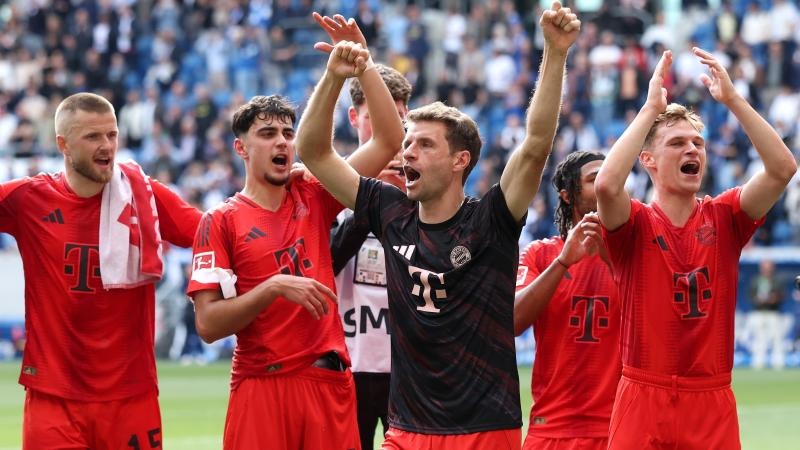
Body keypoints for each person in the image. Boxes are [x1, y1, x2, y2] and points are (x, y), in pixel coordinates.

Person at [296, 3, 580, 448]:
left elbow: (535, 143)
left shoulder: (492, 219)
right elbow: (314, 152)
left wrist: (555, 53)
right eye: (407, 142)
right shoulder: (390, 211)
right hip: (406, 430)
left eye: (424, 145)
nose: (407, 152)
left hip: (484, 430)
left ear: (459, 160)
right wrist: (336, 76)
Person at [185, 30, 405, 449]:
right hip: (261, 384)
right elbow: (208, 325)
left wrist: (356, 68)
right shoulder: (220, 220)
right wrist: (272, 288)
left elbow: (388, 141)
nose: (282, 141)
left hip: (328, 383)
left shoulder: (313, 194)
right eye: (268, 133)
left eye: (288, 133)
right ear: (241, 148)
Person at [595, 47, 797, 449]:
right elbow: (605, 185)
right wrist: (650, 110)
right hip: (643, 394)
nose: (692, 150)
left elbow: (782, 169)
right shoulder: (634, 223)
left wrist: (733, 100)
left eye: (698, 143)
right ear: (648, 160)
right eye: (677, 143)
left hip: (711, 398)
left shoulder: (725, 217)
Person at [0, 92, 201, 449]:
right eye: (93, 136)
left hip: (130, 394)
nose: (107, 145)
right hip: (53, 396)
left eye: (112, 134)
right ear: (63, 144)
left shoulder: (144, 196)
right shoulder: (29, 199)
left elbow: (211, 233)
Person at [328, 54, 413, 450]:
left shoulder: (423, 191)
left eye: (397, 118)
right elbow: (327, 259)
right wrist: (371, 196)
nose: (389, 129)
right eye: (375, 117)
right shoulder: (327, 186)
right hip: (347, 362)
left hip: (407, 367)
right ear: (353, 118)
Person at [514, 151, 621, 450]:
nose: (606, 184)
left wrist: (613, 261)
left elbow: (657, 324)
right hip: (552, 429)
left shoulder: (634, 252)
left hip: (619, 428)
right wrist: (562, 263)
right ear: (567, 195)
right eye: (594, 179)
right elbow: (513, 321)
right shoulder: (540, 253)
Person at [747, 259, 787, 369]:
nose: (767, 270)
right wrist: (757, 299)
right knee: (759, 338)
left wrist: (774, 298)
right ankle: (758, 362)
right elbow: (750, 295)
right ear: (761, 269)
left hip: (773, 313)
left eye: (769, 268)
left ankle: (778, 362)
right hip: (758, 313)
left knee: (777, 338)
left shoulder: (777, 280)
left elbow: (782, 295)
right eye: (765, 268)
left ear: (772, 268)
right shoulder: (756, 280)